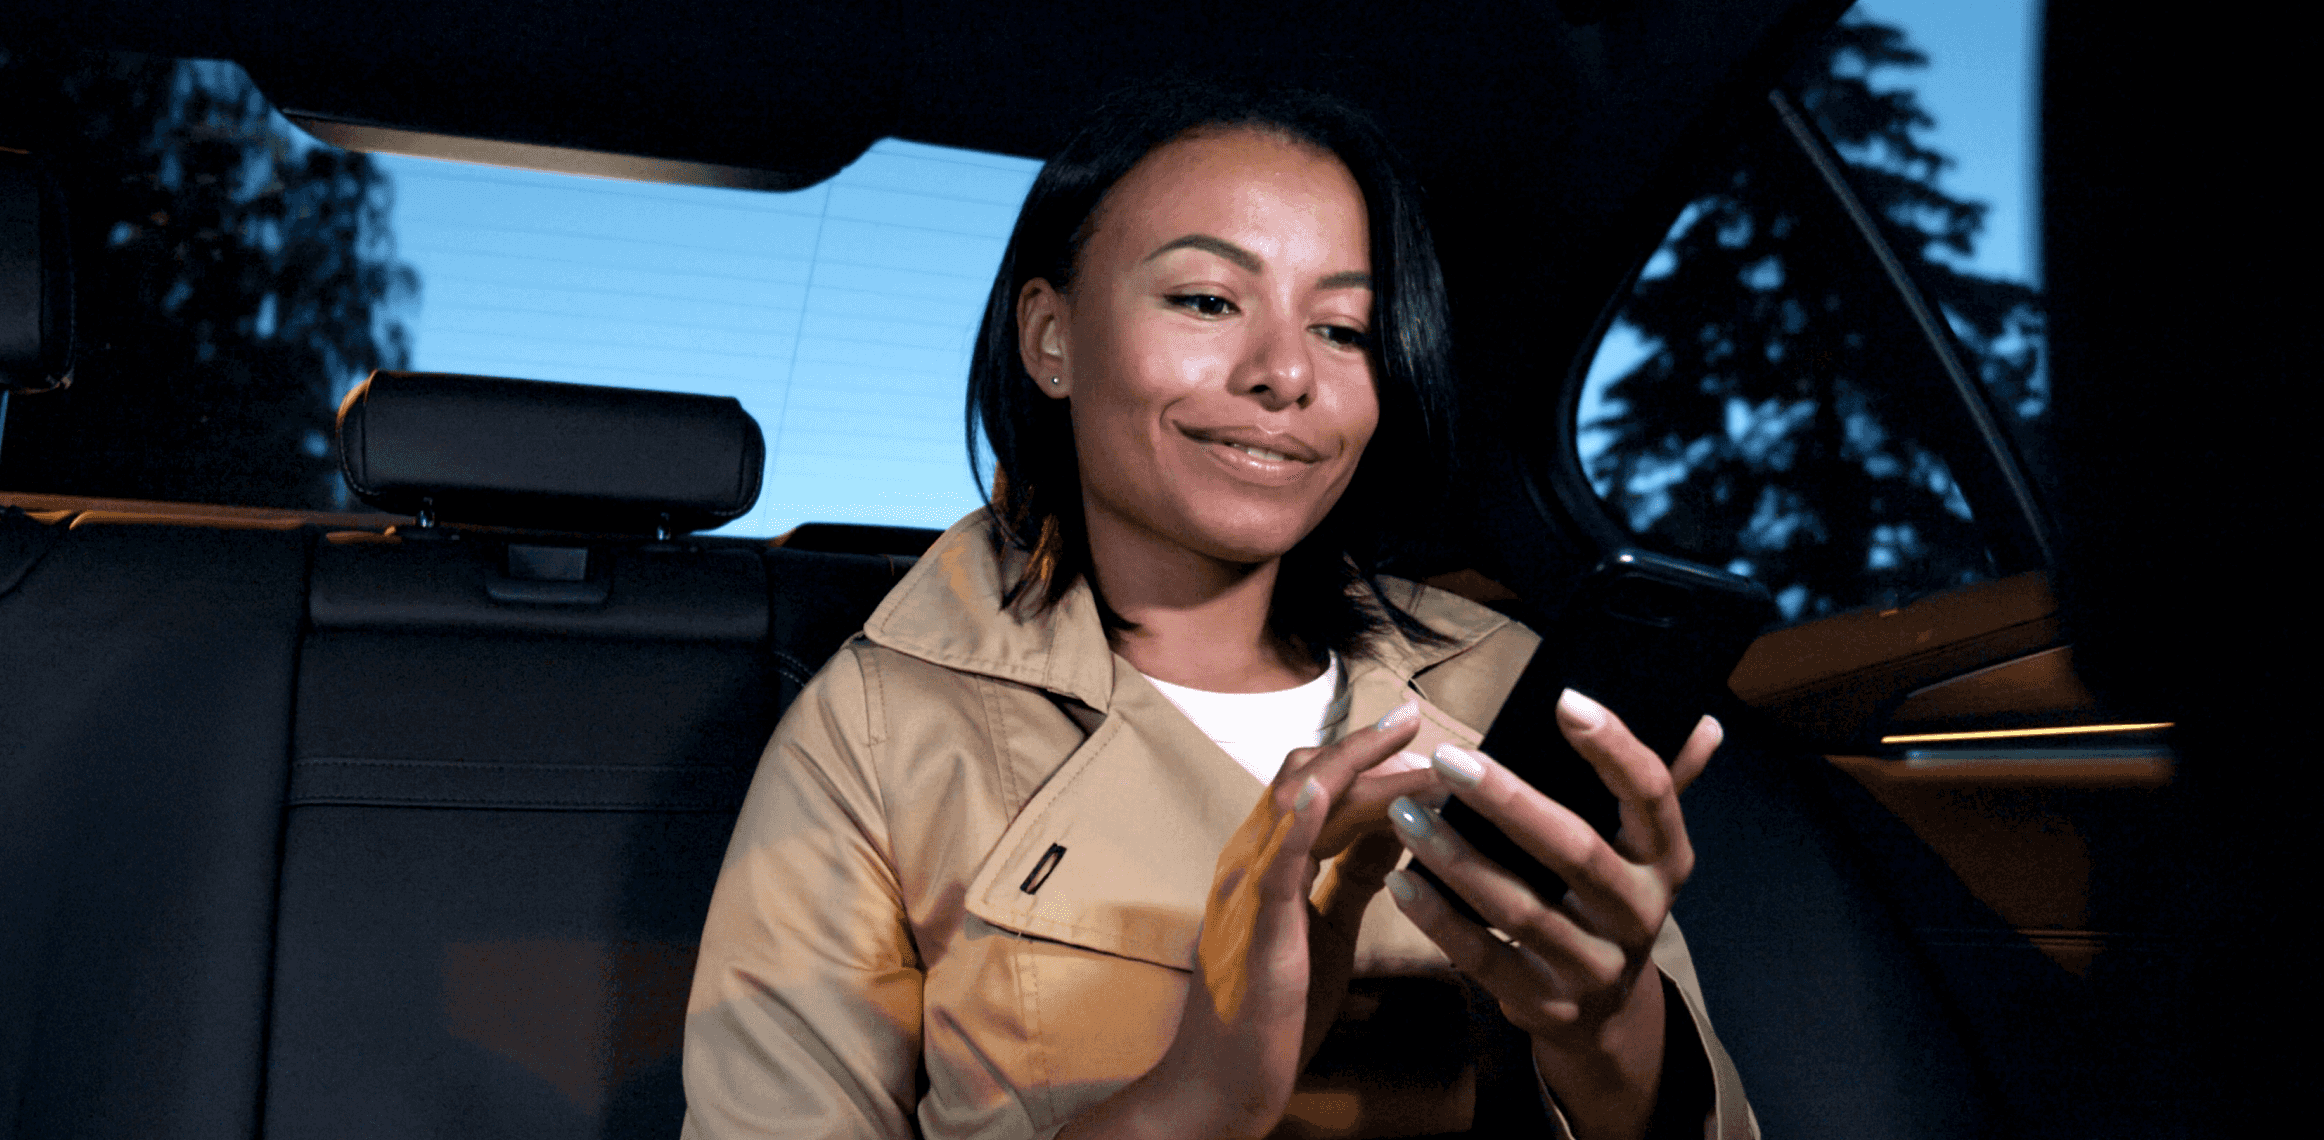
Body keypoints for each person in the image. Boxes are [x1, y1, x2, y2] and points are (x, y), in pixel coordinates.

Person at [682, 81, 1755, 1140]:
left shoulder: (1499, 680)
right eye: (1207, 301)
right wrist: (1195, 1099)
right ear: (1050, 339)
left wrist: (1609, 1030)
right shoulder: (878, 732)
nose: (1287, 373)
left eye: (1344, 329)